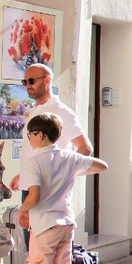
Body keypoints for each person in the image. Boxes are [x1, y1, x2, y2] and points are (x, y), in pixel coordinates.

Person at [18, 113, 107, 264]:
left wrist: (21, 209)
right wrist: (73, 172)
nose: (29, 139)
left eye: (30, 135)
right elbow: (102, 166)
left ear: (40, 135)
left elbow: (34, 195)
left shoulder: (34, 161)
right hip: (65, 224)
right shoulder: (69, 157)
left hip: (44, 225)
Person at [9, 63, 93, 193]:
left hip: (47, 190)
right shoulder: (35, 110)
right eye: (24, 82)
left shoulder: (61, 111)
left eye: (31, 81)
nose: (27, 86)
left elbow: (85, 148)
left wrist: (62, 176)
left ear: (47, 80)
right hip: (29, 186)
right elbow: (35, 151)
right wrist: (22, 175)